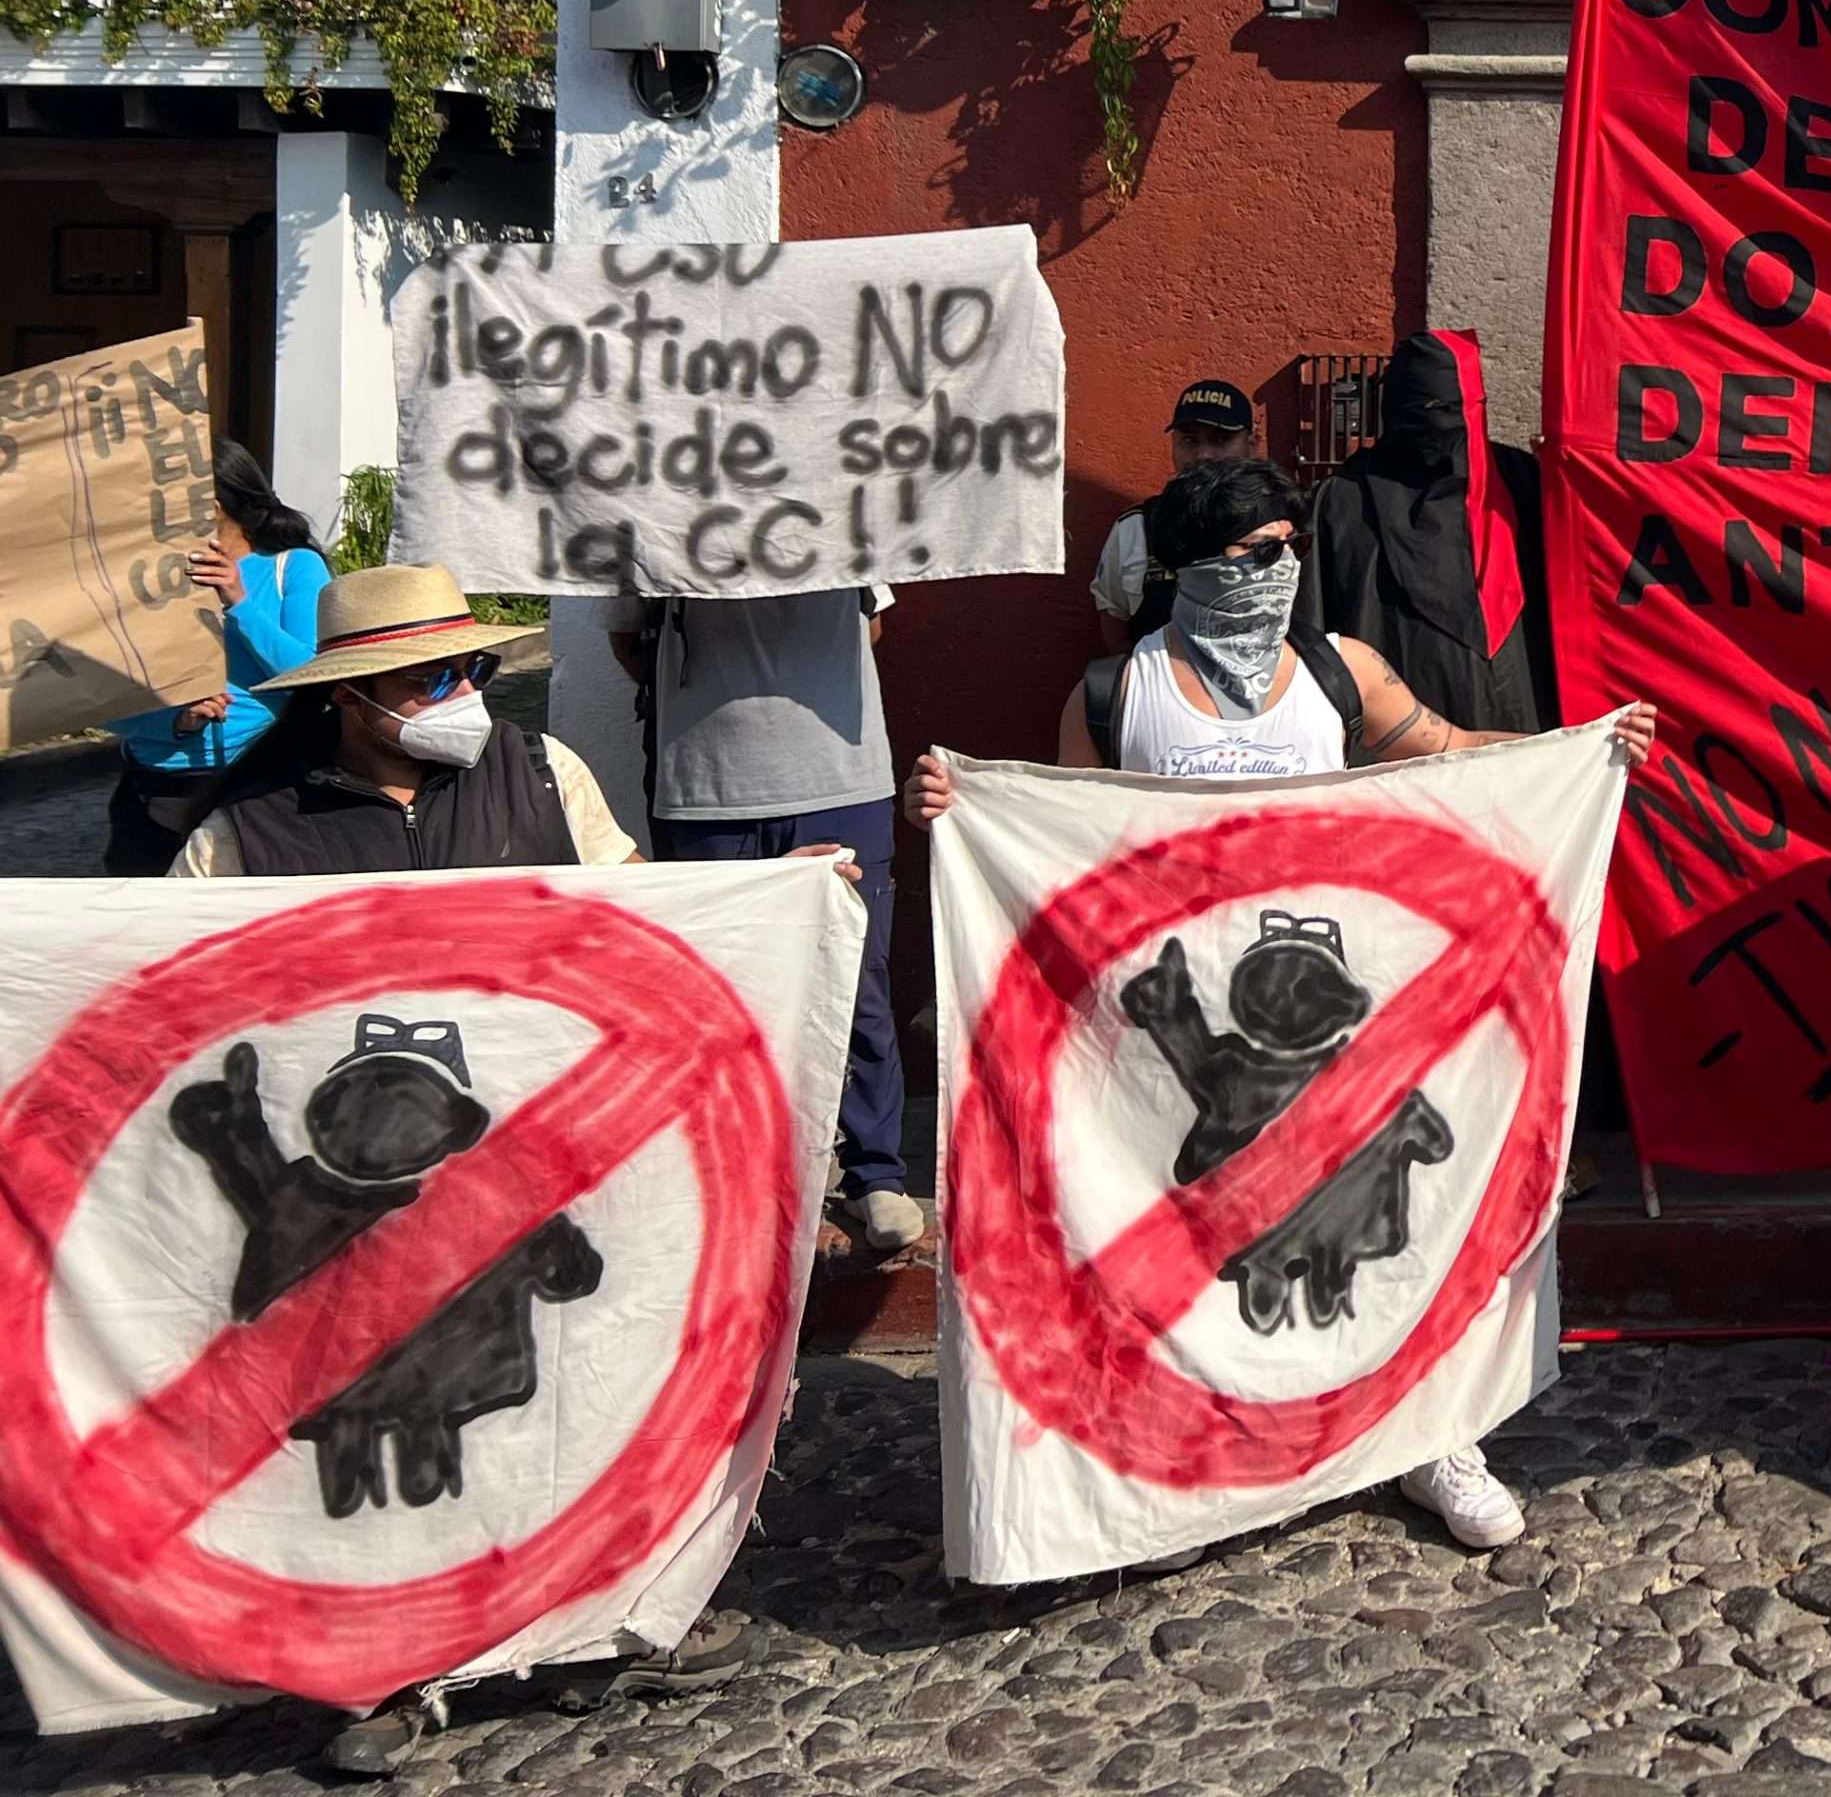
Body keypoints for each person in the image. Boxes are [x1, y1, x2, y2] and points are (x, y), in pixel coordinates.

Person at [911, 454, 1656, 1557]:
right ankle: (1192, 1469)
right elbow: (1071, 845)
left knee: (1375, 1236)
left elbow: (1448, 756)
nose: (1284, 568)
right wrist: (964, 811)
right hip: (1187, 1040)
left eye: (1291, 548)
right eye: (1257, 552)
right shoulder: (1118, 695)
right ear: (1189, 569)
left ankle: (1428, 1436)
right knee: (1204, 1245)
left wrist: (1586, 752)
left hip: (1345, 1017)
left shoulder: (1339, 672)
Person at [171, 564, 792, 1774]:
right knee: (380, 1452)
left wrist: (782, 898)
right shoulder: (243, 835)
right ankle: (386, 1675)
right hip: (353, 1233)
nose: (461, 693)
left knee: (569, 1407)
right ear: (351, 697)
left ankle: (601, 1623)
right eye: (427, 678)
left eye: (470, 668)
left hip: (536, 1184)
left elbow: (643, 929)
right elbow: (174, 1014)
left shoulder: (544, 775)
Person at [609, 586, 919, 1256]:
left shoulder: (850, 500)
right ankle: (742, 1171)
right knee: (720, 991)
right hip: (702, 791)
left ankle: (875, 1172)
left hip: (841, 781)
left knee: (858, 980)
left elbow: (874, 623)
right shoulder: (644, 512)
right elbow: (627, 638)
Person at [1304, 331, 1556, 734]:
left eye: (1450, 408)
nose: (1436, 422)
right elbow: (1315, 630)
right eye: (1421, 408)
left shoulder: (1524, 484)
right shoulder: (1345, 502)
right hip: (1399, 742)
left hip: (1523, 725)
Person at [101, 440, 329, 876]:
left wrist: (239, 603)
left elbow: (310, 674)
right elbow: (101, 699)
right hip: (153, 796)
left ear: (212, 504)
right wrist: (173, 721)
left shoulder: (293, 566)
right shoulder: (137, 577)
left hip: (256, 785)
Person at [1094, 378, 1259, 651]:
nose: (1204, 454)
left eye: (1221, 439)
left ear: (1252, 445)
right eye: (1189, 440)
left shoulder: (1278, 527)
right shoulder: (1136, 528)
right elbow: (1114, 619)